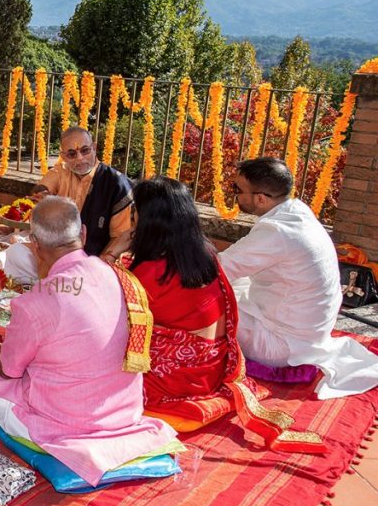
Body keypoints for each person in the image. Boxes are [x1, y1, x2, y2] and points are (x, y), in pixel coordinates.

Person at [0, 197, 175, 487]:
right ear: (82, 233)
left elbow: (9, 371)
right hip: (124, 412)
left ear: (34, 243)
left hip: (60, 423)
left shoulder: (36, 301)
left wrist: (6, 357)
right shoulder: (118, 276)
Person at [126, 177, 323, 450]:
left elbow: (113, 318)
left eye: (134, 209)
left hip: (182, 380)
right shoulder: (204, 252)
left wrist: (112, 255)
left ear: (147, 219)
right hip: (215, 365)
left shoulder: (150, 271)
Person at [220, 157, 378, 399]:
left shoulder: (277, 231)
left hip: (282, 347)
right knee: (234, 283)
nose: (234, 195)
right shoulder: (297, 213)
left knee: (207, 299)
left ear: (261, 199)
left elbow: (217, 269)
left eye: (237, 190)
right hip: (308, 334)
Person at [2, 127, 133, 282]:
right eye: (72, 154)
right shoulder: (62, 171)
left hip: (93, 263)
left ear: (95, 148)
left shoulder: (116, 184)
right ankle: (49, 286)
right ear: (63, 156)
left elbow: (121, 237)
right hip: (56, 254)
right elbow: (43, 186)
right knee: (15, 253)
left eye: (85, 151)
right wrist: (42, 194)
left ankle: (50, 287)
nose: (79, 159)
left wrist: (101, 264)